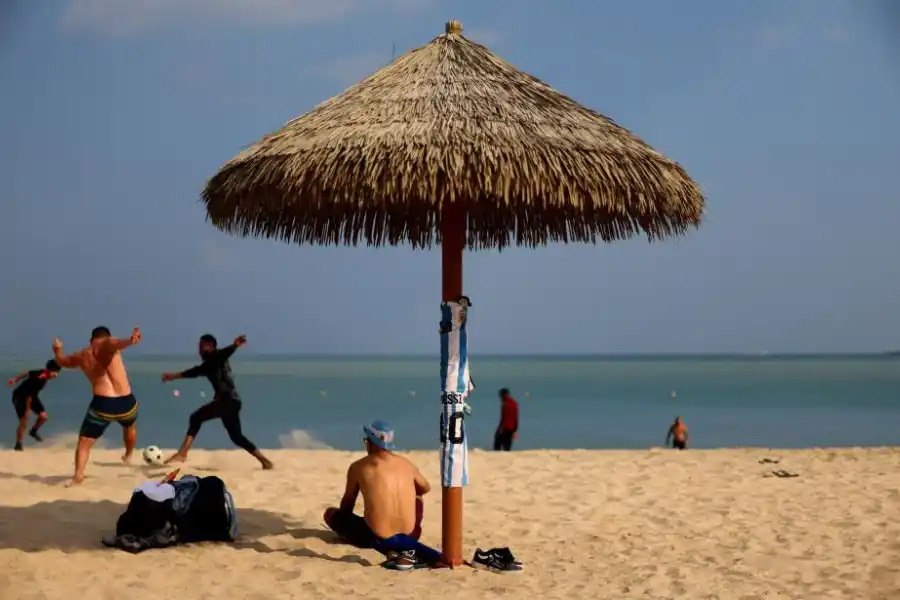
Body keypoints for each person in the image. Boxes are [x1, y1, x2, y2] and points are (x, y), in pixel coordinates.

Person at [160, 334, 273, 469]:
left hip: (227, 399)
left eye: (202, 346)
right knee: (236, 437)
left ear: (211, 347)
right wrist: (172, 376)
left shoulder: (217, 357)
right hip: (233, 402)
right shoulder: (208, 365)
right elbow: (193, 372)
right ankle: (265, 461)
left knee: (196, 417)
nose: (199, 350)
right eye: (199, 347)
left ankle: (182, 453)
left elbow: (224, 354)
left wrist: (235, 345)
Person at [53, 326, 142, 486]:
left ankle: (78, 475)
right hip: (126, 402)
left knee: (84, 442)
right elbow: (114, 342)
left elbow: (63, 362)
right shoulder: (107, 344)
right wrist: (130, 340)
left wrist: (57, 350)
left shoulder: (81, 355)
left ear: (91, 339)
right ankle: (128, 455)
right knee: (130, 425)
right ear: (105, 336)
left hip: (103, 404)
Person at [323, 421, 428, 551]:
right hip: (411, 536)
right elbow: (425, 488)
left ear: (372, 443)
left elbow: (348, 503)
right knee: (418, 496)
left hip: (374, 538)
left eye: (366, 441)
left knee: (331, 514)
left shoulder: (359, 467)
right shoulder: (406, 464)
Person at [7, 359, 60, 450]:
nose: (56, 374)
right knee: (24, 420)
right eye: (54, 372)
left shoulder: (41, 373)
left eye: (57, 372)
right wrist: (27, 410)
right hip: (19, 396)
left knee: (43, 417)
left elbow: (27, 373)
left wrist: (15, 379)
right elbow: (28, 397)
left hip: (32, 396)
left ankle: (33, 431)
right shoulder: (38, 380)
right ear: (48, 370)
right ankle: (18, 444)